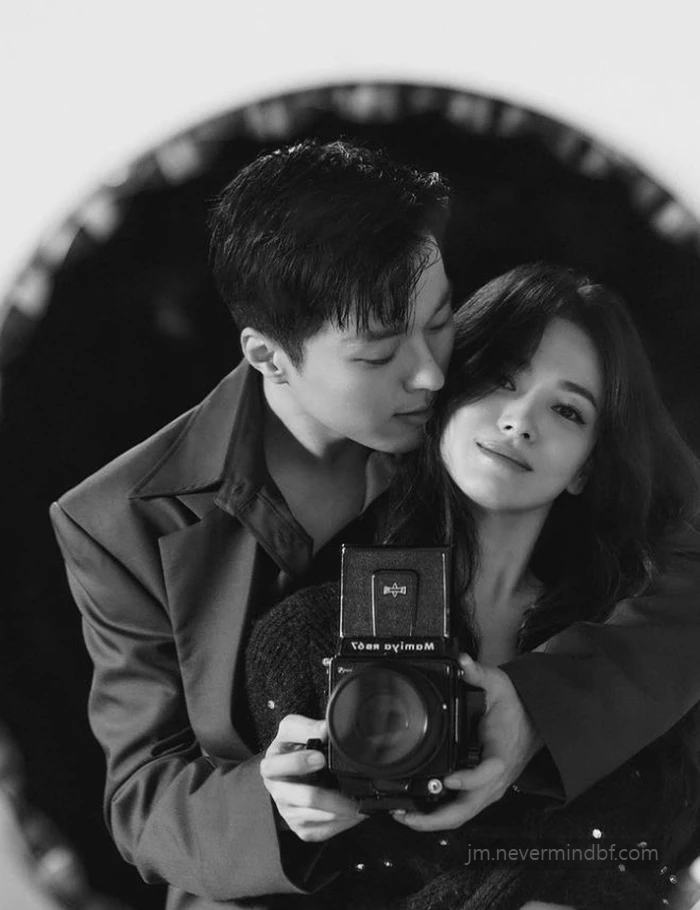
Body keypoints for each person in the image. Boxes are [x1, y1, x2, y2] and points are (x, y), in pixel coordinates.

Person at [49, 140, 700, 910]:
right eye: (381, 351)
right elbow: (143, 798)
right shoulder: (114, 520)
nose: (430, 371)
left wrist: (542, 706)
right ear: (269, 356)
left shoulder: (478, 407)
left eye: (440, 319)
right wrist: (276, 806)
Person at [244, 262, 700, 909]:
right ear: (446, 393)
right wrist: (283, 817)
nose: (520, 421)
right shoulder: (313, 633)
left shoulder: (636, 657)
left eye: (567, 409)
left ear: (585, 468)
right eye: (501, 378)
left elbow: (652, 866)